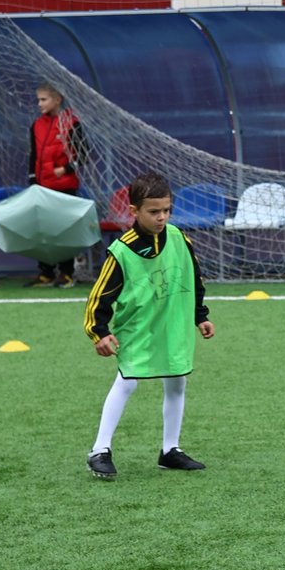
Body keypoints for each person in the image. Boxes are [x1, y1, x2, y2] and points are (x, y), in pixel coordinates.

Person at [83, 172, 214, 479]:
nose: (161, 217)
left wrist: (201, 315)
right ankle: (99, 450)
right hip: (138, 327)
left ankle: (170, 450)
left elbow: (194, 278)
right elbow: (100, 296)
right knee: (127, 380)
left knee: (177, 381)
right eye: (154, 211)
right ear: (134, 210)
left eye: (166, 210)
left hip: (174, 325)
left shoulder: (180, 239)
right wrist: (99, 332)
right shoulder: (122, 251)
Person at [25, 82, 89, 287]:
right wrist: (33, 180)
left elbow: (84, 154)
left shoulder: (72, 123)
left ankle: (66, 272)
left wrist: (67, 169)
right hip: (42, 187)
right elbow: (34, 155)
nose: (39, 104)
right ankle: (45, 272)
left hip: (65, 187)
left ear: (57, 100)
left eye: (43, 99)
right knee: (43, 230)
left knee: (64, 230)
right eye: (38, 100)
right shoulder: (37, 125)